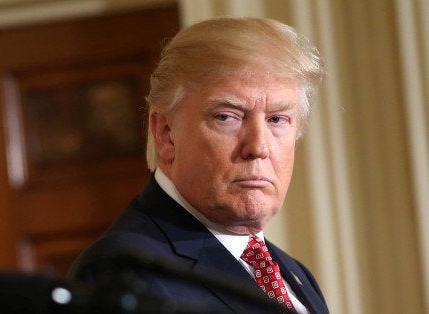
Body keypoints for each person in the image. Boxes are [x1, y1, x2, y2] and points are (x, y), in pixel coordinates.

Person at [68, 16, 328, 314]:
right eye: (227, 117)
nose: (258, 147)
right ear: (167, 134)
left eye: (277, 119)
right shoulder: (125, 274)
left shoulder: (295, 275)